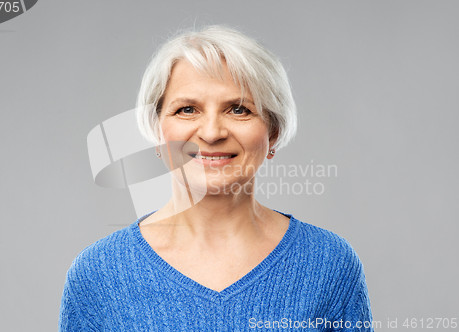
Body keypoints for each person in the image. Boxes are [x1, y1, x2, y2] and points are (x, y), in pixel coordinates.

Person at [59, 25, 373, 331]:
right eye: (187, 110)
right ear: (156, 132)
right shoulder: (98, 275)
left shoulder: (329, 265)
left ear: (272, 132)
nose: (211, 133)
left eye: (238, 109)